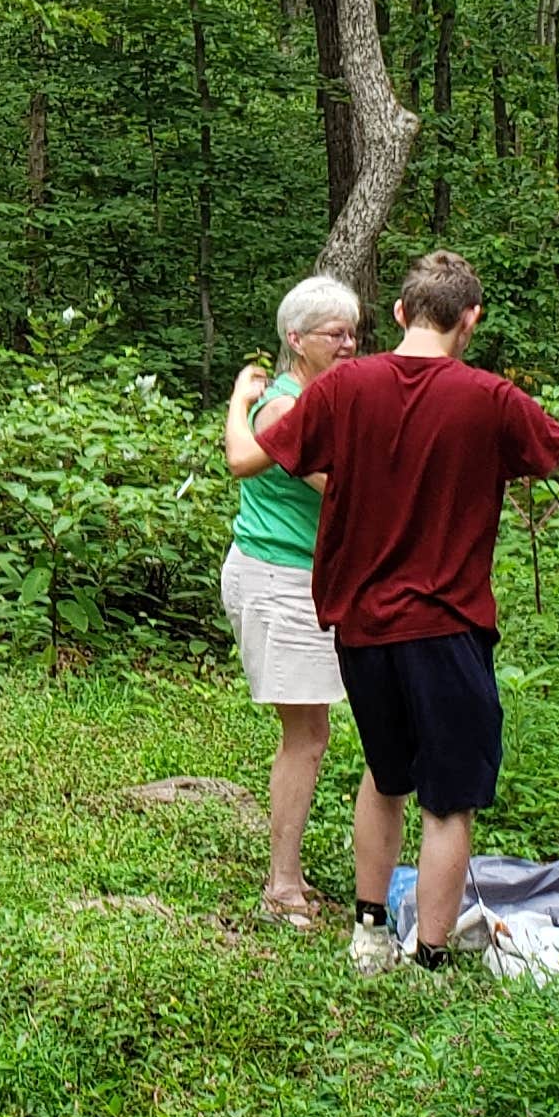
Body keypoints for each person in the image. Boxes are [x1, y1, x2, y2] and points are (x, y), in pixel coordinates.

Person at [228, 249, 559, 971]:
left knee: (385, 777)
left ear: (398, 314)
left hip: (360, 628)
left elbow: (258, 452)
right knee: (448, 801)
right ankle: (430, 960)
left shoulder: (343, 386)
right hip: (446, 629)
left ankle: (369, 935)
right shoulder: (490, 399)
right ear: (471, 318)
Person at [222, 276, 363, 922]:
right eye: (336, 333)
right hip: (279, 580)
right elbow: (339, 488)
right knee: (305, 735)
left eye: (354, 332)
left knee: (311, 731)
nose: (349, 343)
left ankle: (292, 878)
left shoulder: (316, 396)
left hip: (304, 580)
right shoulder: (284, 408)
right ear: (296, 338)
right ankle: (281, 888)